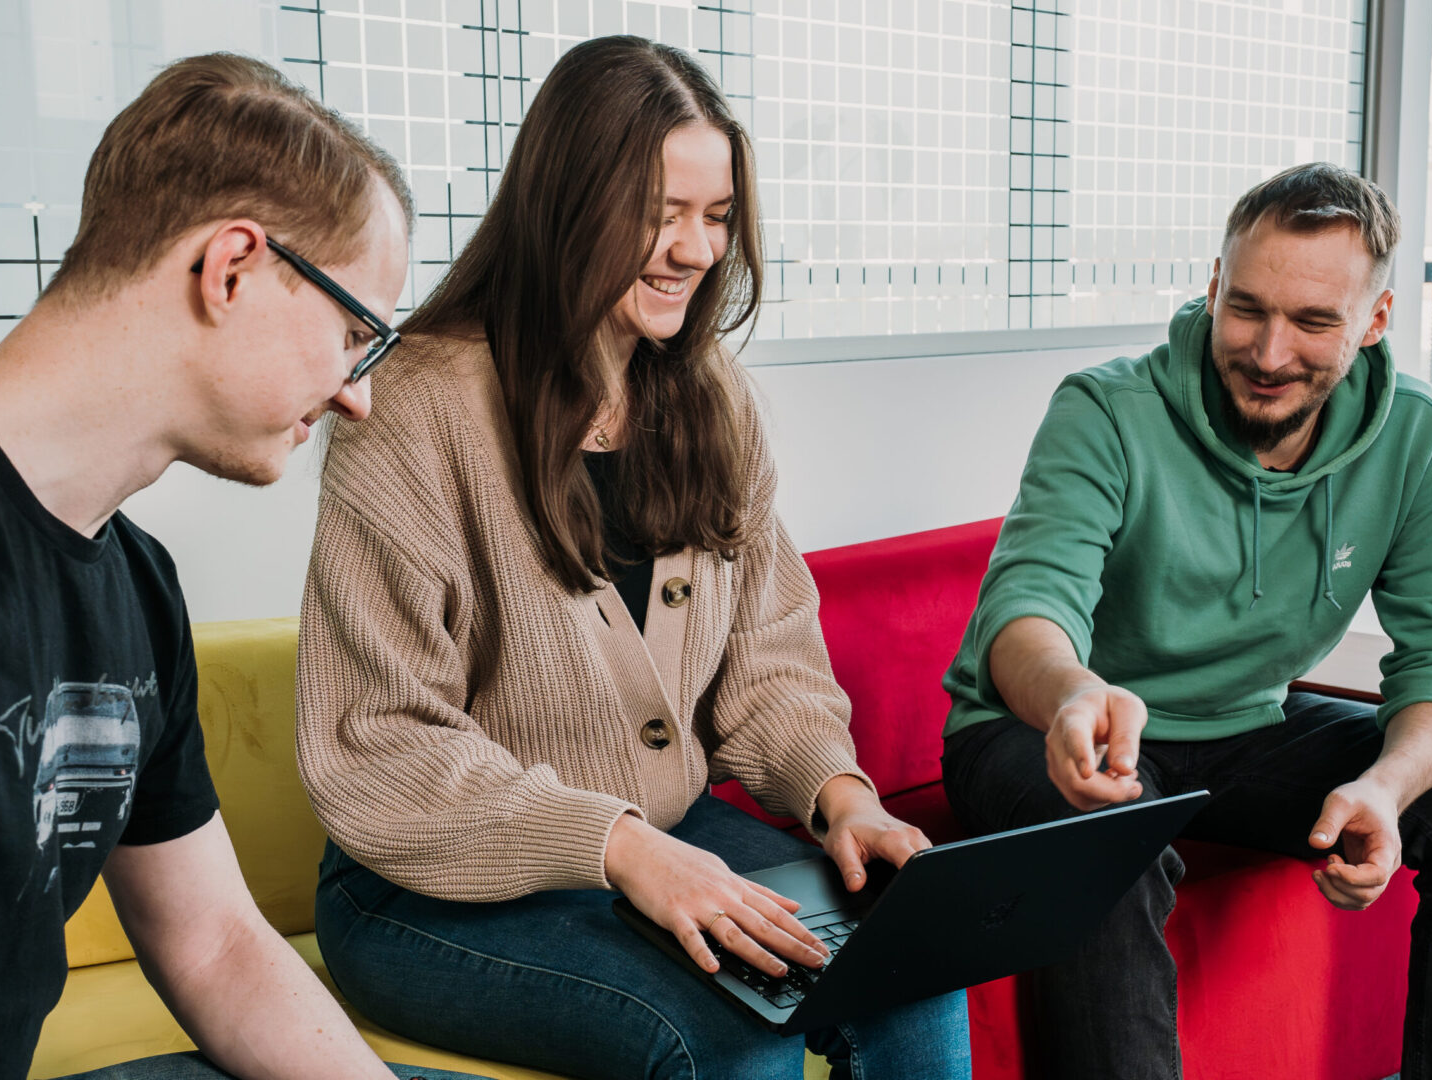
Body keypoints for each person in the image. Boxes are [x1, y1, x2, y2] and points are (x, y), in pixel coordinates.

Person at [294, 34, 972, 1080]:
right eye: (662, 214)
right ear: (565, 203)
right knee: (727, 1034)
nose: (695, 251)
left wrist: (844, 799)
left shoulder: (711, 400)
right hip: (423, 892)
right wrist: (618, 848)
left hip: (662, 844)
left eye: (716, 218)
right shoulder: (414, 409)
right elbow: (383, 745)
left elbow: (770, 667)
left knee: (916, 967)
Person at [940, 162, 1432, 1079]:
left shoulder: (1415, 436)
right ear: (1216, 284)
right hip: (1047, 731)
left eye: (1313, 323)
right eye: (1248, 309)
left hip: (1246, 731)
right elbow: (1030, 611)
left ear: (1374, 323)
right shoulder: (1107, 410)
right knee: (1113, 827)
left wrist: (1386, 789)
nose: (1269, 354)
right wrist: (1073, 694)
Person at [0, 52, 485, 1080]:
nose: (357, 395)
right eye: (354, 333)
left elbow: (211, 944)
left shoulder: (138, 590)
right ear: (233, 268)